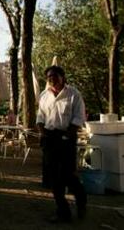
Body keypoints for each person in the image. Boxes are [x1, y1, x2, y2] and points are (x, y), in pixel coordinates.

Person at [37, 65, 87, 223]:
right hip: (49, 138)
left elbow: (79, 118)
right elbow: (40, 118)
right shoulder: (44, 95)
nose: (51, 79)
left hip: (66, 138)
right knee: (53, 177)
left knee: (68, 175)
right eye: (49, 77)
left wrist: (66, 136)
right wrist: (43, 133)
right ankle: (63, 212)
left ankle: (81, 200)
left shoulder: (74, 94)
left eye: (54, 75)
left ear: (62, 76)